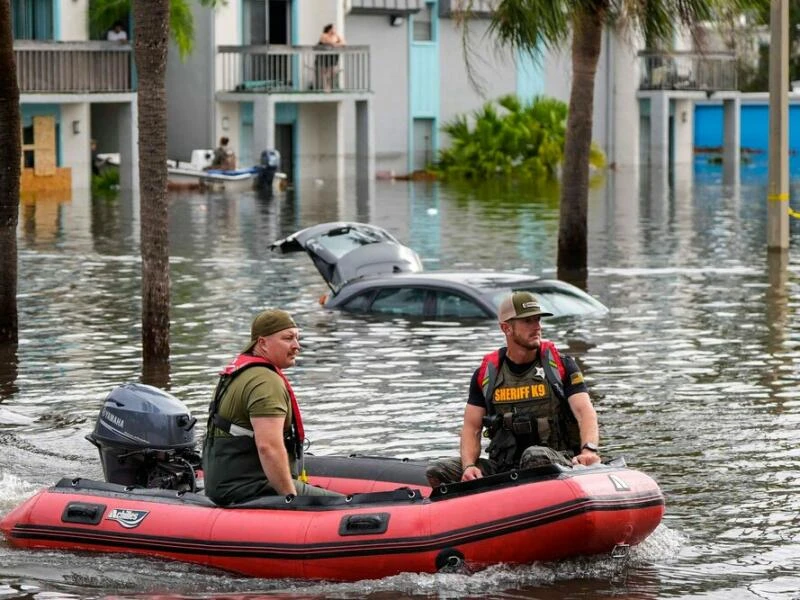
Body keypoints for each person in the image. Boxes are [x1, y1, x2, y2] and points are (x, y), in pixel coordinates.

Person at [426, 291, 601, 487]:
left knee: (534, 456)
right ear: (506, 328)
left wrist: (589, 451)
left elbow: (584, 412)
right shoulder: (486, 374)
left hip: (556, 461)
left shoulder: (561, 366)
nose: (537, 327)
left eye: (538, 319)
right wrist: (468, 467)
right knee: (438, 470)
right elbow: (471, 428)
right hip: (504, 467)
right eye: (528, 321)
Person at [202, 309, 341, 505]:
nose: (297, 346)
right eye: (288, 338)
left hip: (225, 484)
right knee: (346, 506)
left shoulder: (239, 373)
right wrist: (291, 499)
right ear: (262, 343)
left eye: (297, 338)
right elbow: (268, 447)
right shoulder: (266, 382)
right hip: (250, 487)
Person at [315, 24, 346, 91]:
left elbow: (343, 43)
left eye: (334, 29)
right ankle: (325, 88)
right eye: (333, 29)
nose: (334, 30)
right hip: (323, 58)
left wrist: (337, 42)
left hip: (332, 58)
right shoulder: (324, 35)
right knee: (323, 74)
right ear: (329, 29)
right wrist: (336, 44)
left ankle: (329, 88)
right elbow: (330, 42)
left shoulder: (336, 36)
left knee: (332, 73)